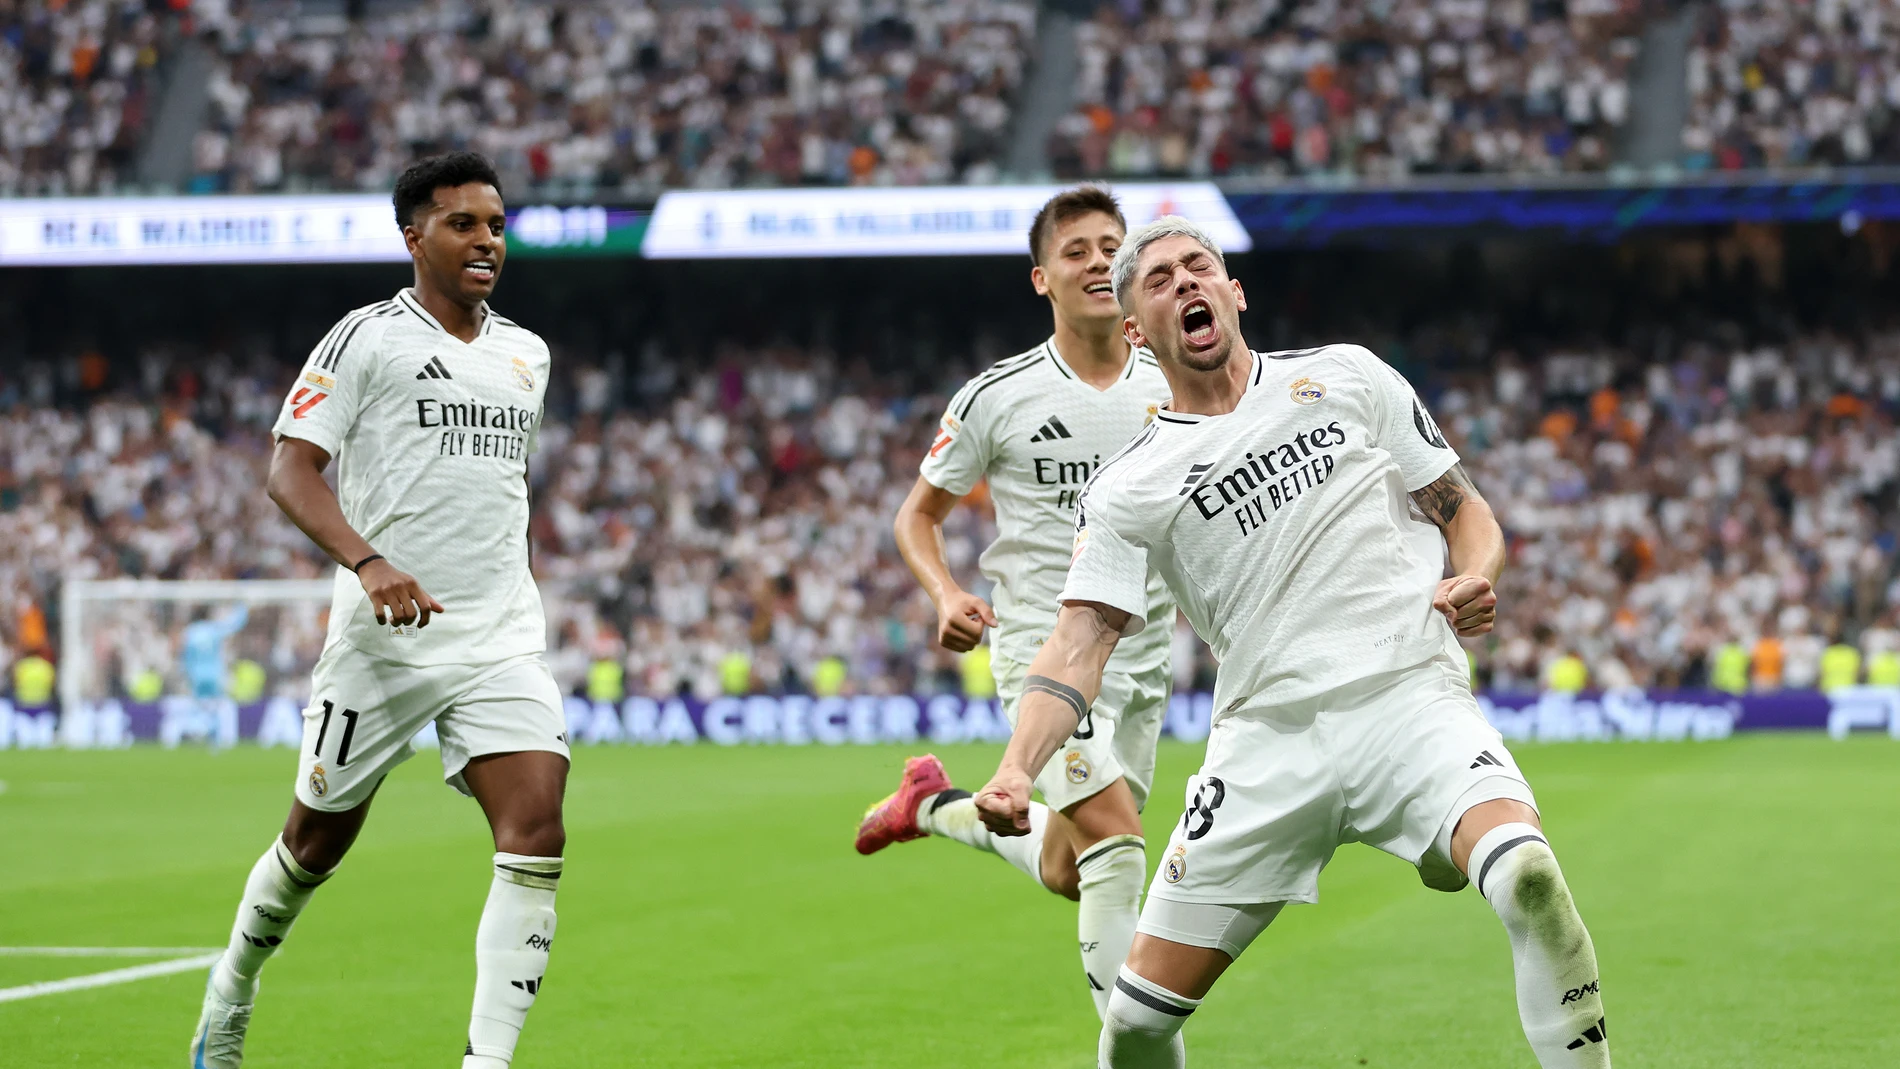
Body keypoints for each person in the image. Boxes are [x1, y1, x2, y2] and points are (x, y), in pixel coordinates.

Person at [973, 217, 1611, 1068]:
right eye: (1159, 280)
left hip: (1407, 701)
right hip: (1265, 747)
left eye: (1199, 267)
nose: (1186, 283)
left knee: (1529, 874)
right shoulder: (1128, 486)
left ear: (1234, 292)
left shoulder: (1344, 375)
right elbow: (1077, 644)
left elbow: (1465, 510)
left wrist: (1475, 574)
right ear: (1135, 331)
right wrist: (1018, 765)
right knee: (1134, 1023)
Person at [190, 152, 568, 1069]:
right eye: (464, 224)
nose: (487, 241)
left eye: (497, 225)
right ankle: (230, 991)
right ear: (414, 236)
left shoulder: (528, 353)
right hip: (385, 640)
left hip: (499, 632)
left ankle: (487, 1061)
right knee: (312, 843)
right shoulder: (365, 338)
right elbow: (289, 468)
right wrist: (368, 560)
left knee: (538, 829)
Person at [860, 186, 1176, 1018]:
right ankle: (1135, 1047)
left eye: (1113, 245)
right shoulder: (998, 397)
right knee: (1115, 844)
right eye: (1077, 251)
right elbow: (917, 514)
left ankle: (931, 806)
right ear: (1043, 278)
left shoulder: (1178, 383)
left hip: (1142, 660)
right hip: (1044, 650)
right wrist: (947, 590)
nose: (1099, 261)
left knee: (1072, 868)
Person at [180, 604, 249, 749]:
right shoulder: (213, 629)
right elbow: (233, 625)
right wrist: (243, 608)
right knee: (216, 707)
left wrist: (186, 673)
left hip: (196, 675)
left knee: (199, 706)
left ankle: (195, 733)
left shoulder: (190, 632)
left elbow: (185, 657)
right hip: (213, 674)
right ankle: (214, 741)